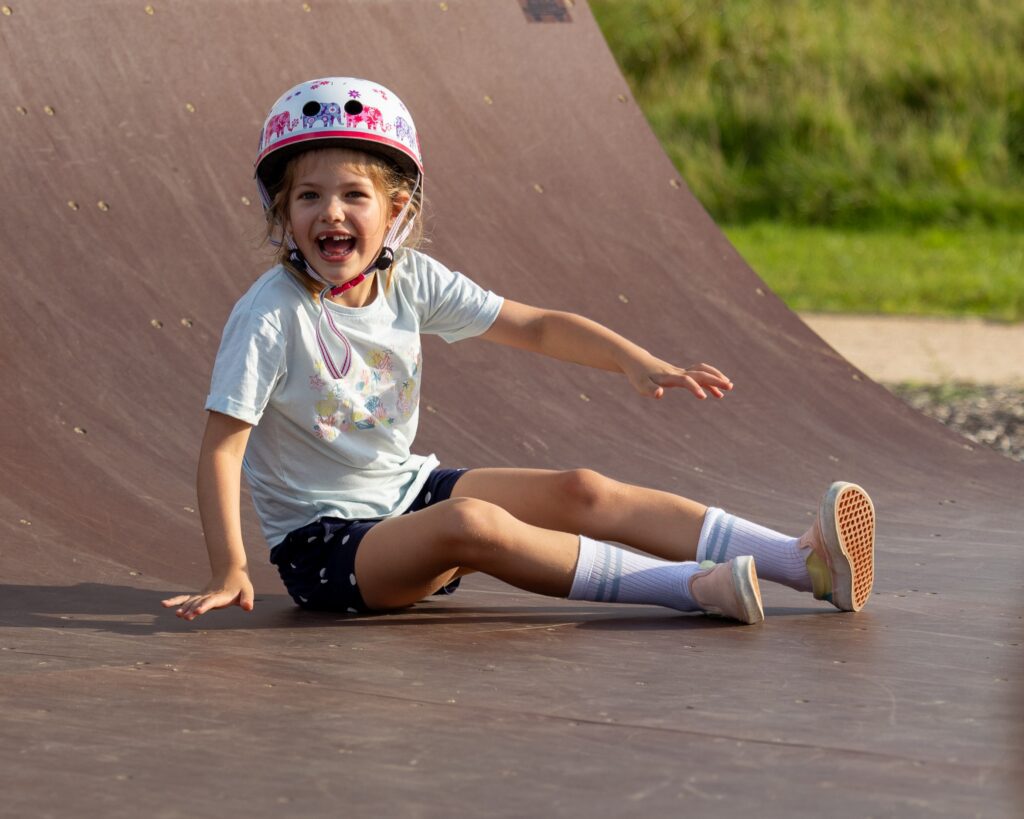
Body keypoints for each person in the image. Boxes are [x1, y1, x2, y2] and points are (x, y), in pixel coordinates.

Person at [162, 77, 875, 626]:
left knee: (581, 488)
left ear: (397, 210)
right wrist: (230, 566)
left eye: (355, 194)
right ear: (283, 214)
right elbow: (223, 450)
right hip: (327, 550)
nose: (332, 213)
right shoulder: (268, 316)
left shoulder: (409, 279)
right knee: (472, 522)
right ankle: (689, 588)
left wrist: (634, 358)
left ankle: (801, 560)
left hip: (406, 493)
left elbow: (533, 325)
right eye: (309, 196)